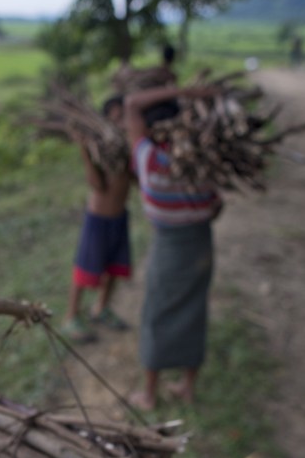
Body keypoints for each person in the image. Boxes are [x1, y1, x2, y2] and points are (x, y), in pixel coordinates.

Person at [123, 83, 224, 409]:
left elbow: (132, 103)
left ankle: (150, 393)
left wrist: (183, 89)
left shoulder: (149, 159)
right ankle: (187, 386)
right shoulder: (203, 160)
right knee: (195, 311)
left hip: (168, 247)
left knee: (157, 314)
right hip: (200, 245)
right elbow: (216, 206)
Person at [60, 94, 133, 343]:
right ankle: (70, 317)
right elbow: (97, 185)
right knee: (85, 269)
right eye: (117, 116)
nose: (122, 120)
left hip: (119, 216)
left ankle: (101, 308)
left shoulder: (127, 146)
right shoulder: (101, 145)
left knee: (114, 268)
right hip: (98, 219)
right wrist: (84, 149)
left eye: (125, 115)